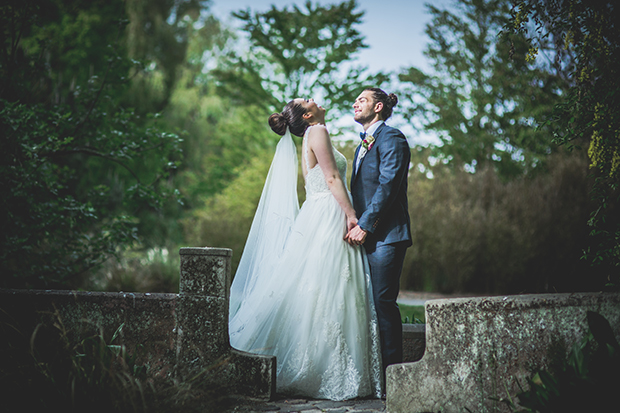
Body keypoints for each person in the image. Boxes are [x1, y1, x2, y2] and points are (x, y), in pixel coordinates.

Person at [228, 98, 382, 400]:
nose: (314, 98)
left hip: (318, 210)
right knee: (331, 285)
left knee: (320, 287)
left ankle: (321, 361)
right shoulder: (318, 131)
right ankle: (324, 368)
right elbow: (332, 177)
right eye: (307, 100)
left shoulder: (311, 135)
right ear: (308, 114)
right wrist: (352, 216)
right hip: (329, 213)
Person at [345, 88, 412, 377]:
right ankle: (374, 377)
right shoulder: (362, 144)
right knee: (366, 304)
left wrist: (364, 225)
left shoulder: (392, 138)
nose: (355, 103)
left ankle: (392, 377)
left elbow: (388, 185)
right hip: (365, 234)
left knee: (383, 304)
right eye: (356, 100)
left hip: (386, 236)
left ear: (379, 106)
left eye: (363, 99)